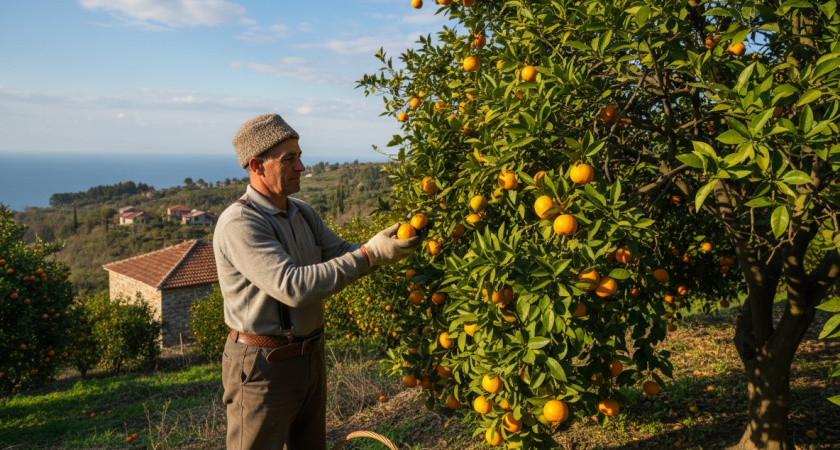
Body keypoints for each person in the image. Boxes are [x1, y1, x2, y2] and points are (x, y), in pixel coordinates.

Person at [213, 113, 421, 449]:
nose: (302, 167)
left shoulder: (302, 212)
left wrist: (388, 244)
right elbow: (293, 287)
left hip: (310, 355)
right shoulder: (240, 223)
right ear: (256, 165)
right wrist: (371, 254)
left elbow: (340, 252)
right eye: (289, 159)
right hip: (261, 366)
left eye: (299, 156)